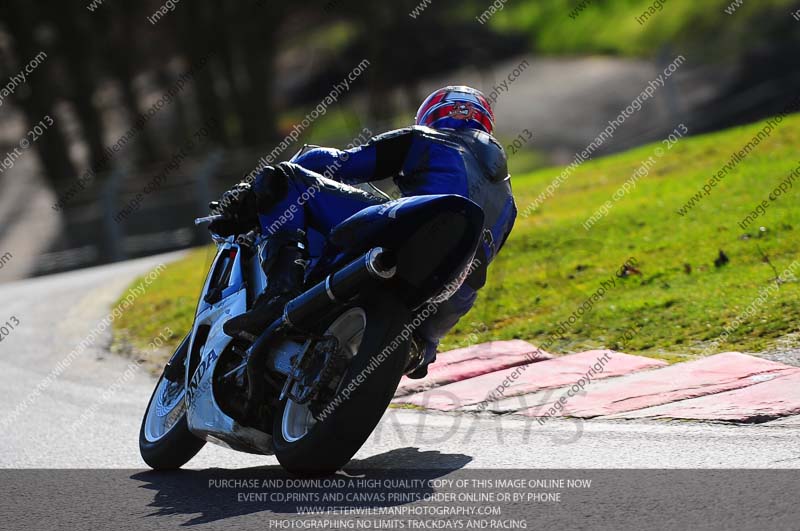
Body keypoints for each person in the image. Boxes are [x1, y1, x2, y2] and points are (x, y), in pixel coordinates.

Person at [210, 85, 516, 378]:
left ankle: (280, 293)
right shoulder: (509, 205)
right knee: (429, 332)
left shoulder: (425, 139)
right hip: (451, 298)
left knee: (282, 179)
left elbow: (341, 165)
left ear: (433, 114)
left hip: (405, 237)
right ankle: (419, 347)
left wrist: (261, 190)